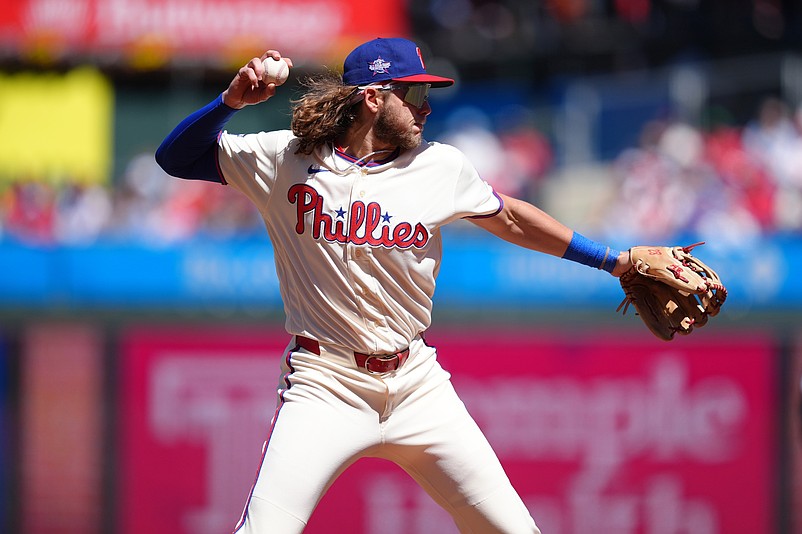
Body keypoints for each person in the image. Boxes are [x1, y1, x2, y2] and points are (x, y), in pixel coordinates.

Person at [156, 37, 631, 534]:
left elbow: (511, 219)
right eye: (415, 95)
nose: (426, 109)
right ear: (374, 96)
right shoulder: (285, 159)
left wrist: (612, 261)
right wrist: (230, 102)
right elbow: (176, 159)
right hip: (326, 385)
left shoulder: (440, 166)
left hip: (417, 385)